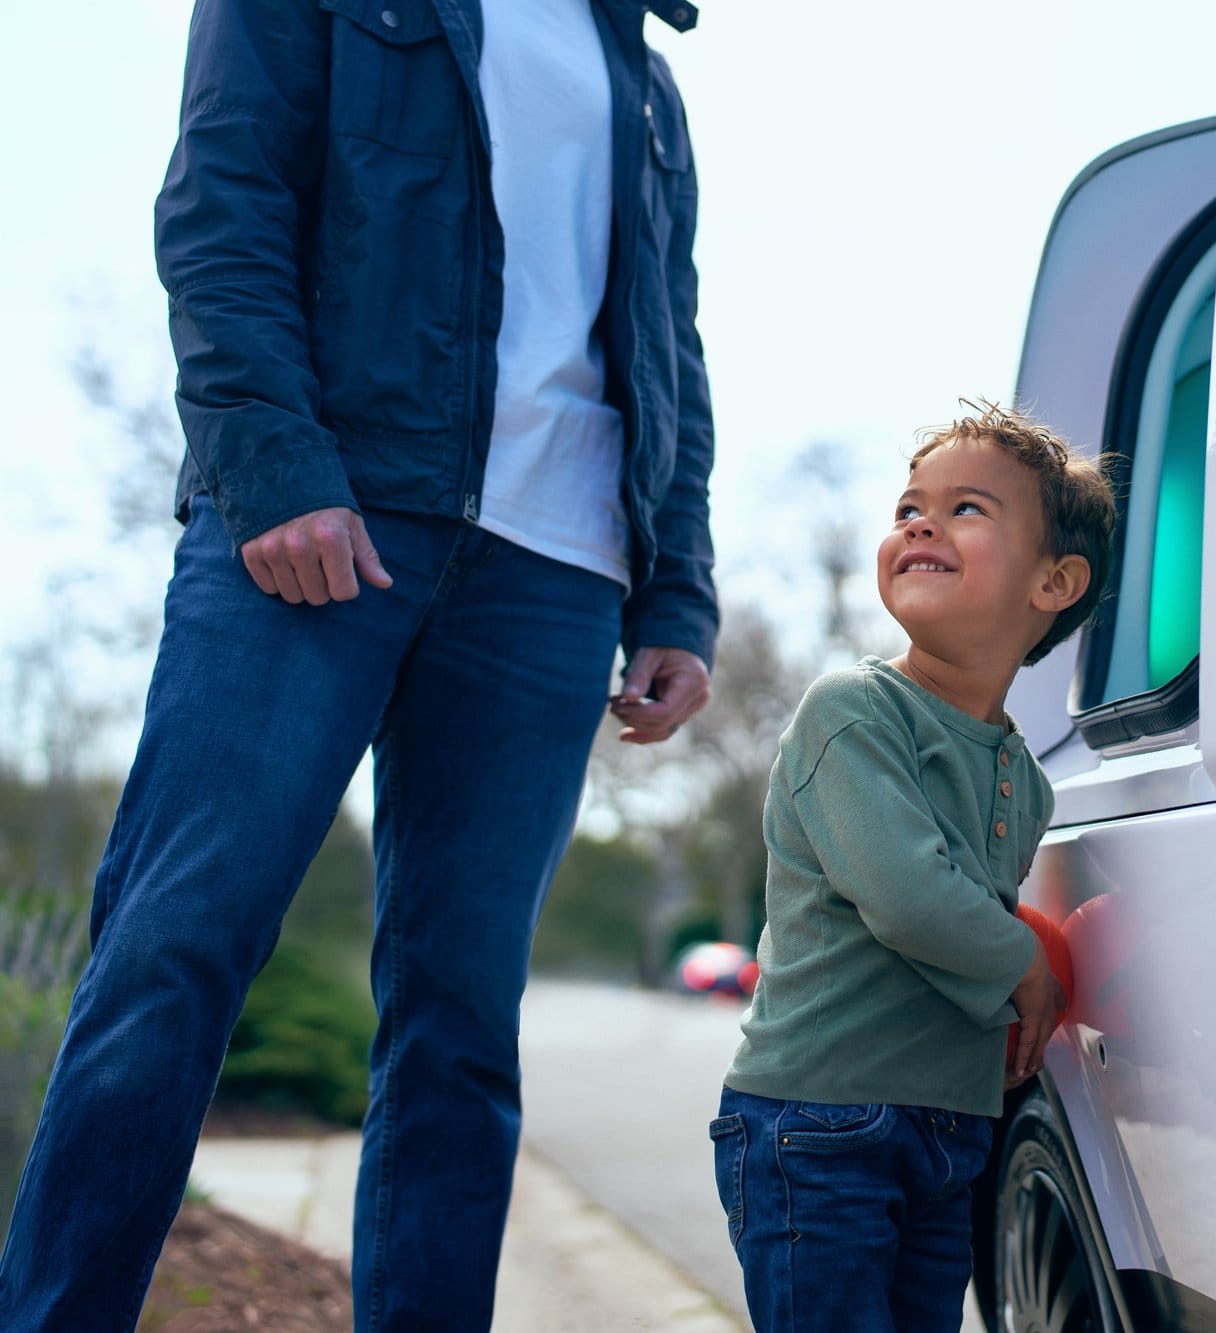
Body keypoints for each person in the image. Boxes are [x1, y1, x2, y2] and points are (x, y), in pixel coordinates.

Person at [0, 0, 716, 1328]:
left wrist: (676, 587)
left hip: (557, 570)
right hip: (323, 515)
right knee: (171, 948)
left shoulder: (640, 65)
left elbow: (666, 340)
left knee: (461, 1028)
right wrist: (273, 469)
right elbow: (223, 202)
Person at [710, 403, 1116, 1332]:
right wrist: (1022, 967)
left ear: (1055, 581)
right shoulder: (854, 711)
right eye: (908, 509)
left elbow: (968, 925)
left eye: (966, 508)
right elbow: (909, 896)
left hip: (947, 1125)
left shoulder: (1025, 779)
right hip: (819, 1123)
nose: (920, 525)